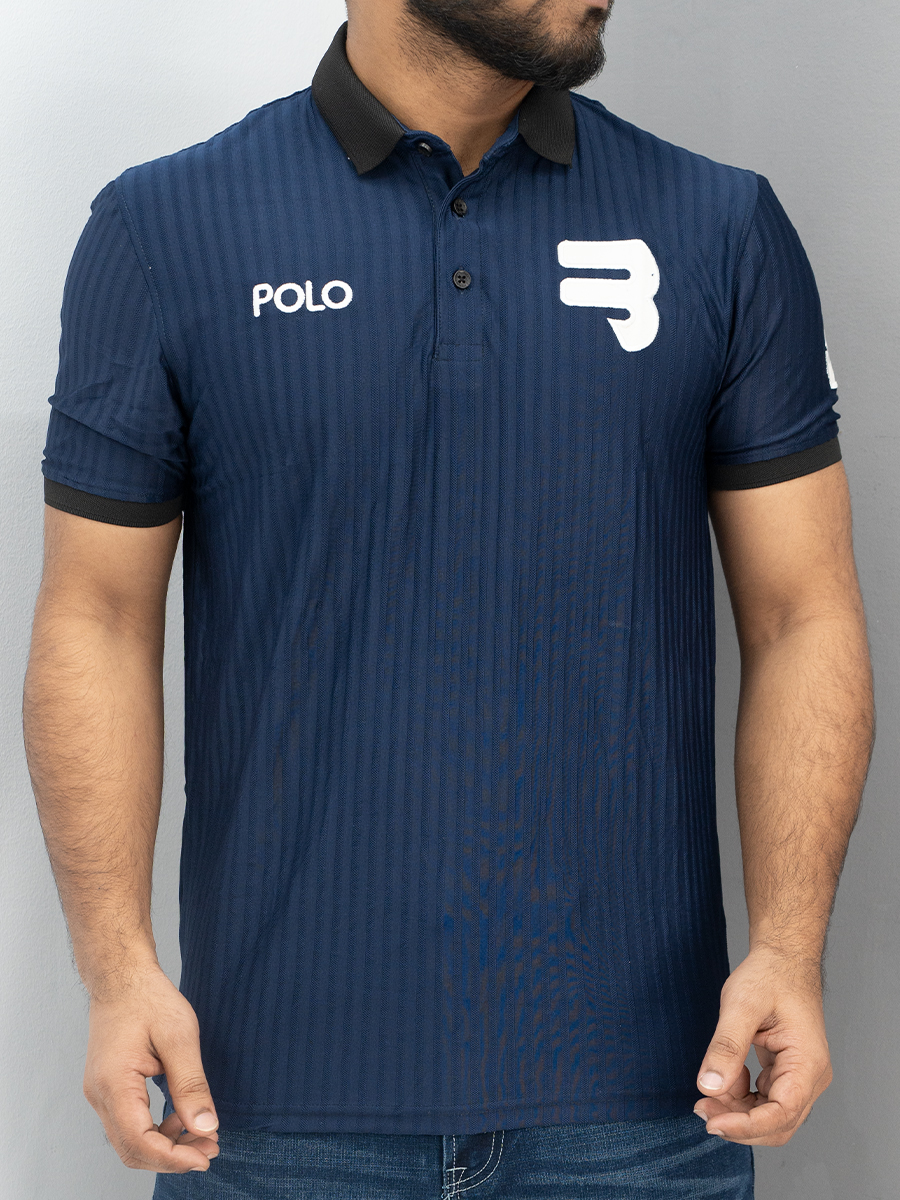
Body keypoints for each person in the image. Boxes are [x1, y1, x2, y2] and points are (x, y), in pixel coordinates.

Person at [23, 0, 874, 1195]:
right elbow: (96, 620)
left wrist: (790, 947)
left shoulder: (720, 225)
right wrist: (116, 971)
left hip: (649, 1104)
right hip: (263, 1110)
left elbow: (801, 617)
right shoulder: (164, 228)